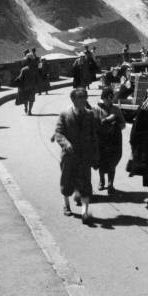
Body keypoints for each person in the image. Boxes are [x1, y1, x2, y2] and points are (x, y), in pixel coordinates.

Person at [53, 88, 99, 223]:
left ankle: (84, 212)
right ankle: (66, 205)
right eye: (80, 98)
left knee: (85, 183)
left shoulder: (90, 115)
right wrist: (66, 144)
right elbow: (58, 133)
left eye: (85, 98)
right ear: (73, 99)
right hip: (69, 155)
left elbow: (94, 136)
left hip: (84, 155)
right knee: (67, 181)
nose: (83, 101)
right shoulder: (64, 114)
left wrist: (95, 155)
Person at [93, 87, 125, 194]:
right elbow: (94, 125)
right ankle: (102, 181)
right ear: (104, 97)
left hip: (113, 140)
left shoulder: (116, 109)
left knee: (112, 162)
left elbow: (123, 125)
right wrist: (104, 121)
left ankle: (111, 184)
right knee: (102, 161)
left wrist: (115, 122)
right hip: (101, 140)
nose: (111, 100)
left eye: (112, 97)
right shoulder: (96, 109)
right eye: (109, 97)